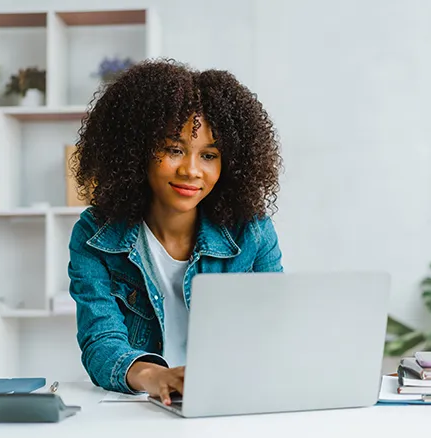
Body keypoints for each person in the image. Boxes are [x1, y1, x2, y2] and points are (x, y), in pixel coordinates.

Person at [67, 59, 284, 406]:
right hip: (139, 406)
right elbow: (101, 342)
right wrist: (158, 377)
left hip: (230, 401)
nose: (191, 170)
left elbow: (276, 327)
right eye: (174, 149)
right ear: (137, 150)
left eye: (210, 155)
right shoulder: (96, 235)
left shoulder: (252, 233)